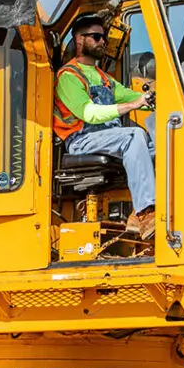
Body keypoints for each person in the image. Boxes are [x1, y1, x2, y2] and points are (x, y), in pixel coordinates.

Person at [53, 15, 157, 239]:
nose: (103, 42)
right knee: (133, 136)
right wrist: (132, 105)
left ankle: (137, 215)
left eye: (104, 37)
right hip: (82, 140)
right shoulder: (68, 77)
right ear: (79, 40)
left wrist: (159, 97)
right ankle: (146, 212)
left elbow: (137, 96)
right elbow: (89, 113)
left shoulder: (103, 78)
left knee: (157, 148)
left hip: (108, 138)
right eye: (96, 37)